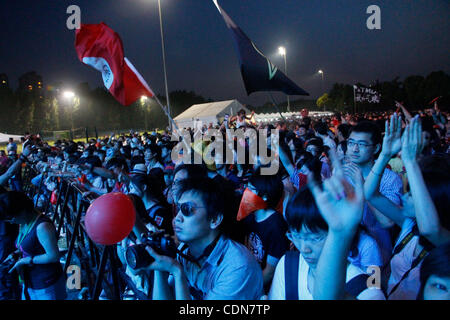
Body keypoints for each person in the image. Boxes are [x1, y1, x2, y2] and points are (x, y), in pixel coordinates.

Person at [268, 152, 385, 300]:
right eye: (296, 236)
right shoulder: (288, 264)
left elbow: (374, 279)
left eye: (315, 238)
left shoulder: (368, 288)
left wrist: (341, 233)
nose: (304, 248)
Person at [139, 177, 264, 300]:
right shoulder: (185, 250)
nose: (177, 218)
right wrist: (159, 265)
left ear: (214, 220)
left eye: (187, 209)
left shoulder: (237, 268)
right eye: (178, 208)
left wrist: (177, 272)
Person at [0, 191, 66, 300]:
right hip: (32, 280)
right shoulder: (25, 222)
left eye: (12, 218)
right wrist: (15, 254)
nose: (11, 222)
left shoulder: (42, 227)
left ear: (22, 211)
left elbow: (54, 256)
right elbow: (30, 245)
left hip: (46, 282)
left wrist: (26, 260)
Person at [239, 171, 289, 291]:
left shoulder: (276, 225)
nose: (245, 192)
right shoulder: (250, 215)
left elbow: (269, 271)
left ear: (265, 196)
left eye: (251, 189)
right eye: (246, 188)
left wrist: (248, 289)